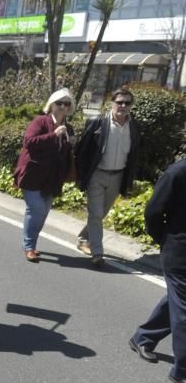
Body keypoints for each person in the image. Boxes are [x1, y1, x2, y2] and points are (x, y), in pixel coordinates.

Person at [129, 156, 186, 383]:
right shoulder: (177, 172)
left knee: (177, 300)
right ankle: (181, 370)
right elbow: (153, 210)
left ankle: (143, 337)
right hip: (178, 251)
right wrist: (161, 238)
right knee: (183, 307)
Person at [74, 88, 140, 267]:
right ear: (112, 103)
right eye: (120, 102)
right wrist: (80, 175)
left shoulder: (133, 126)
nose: (123, 106)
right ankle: (97, 252)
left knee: (100, 214)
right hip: (97, 174)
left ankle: (83, 237)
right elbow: (82, 150)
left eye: (127, 103)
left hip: (118, 176)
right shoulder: (98, 122)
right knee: (95, 214)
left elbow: (133, 155)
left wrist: (130, 180)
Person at [14, 88, 75, 262]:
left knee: (43, 213)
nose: (62, 107)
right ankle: (29, 246)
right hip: (33, 174)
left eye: (66, 104)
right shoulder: (41, 121)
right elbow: (29, 142)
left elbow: (62, 153)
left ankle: (31, 242)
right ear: (51, 104)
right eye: (59, 103)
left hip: (53, 178)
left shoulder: (68, 128)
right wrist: (53, 135)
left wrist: (72, 143)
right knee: (36, 209)